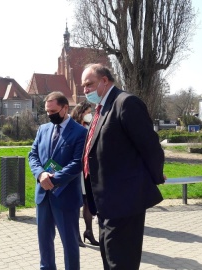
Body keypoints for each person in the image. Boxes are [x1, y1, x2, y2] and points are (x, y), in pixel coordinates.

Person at [81, 63, 166, 269]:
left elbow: (150, 146)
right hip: (105, 203)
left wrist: (155, 177)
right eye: (83, 86)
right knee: (110, 260)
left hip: (125, 201)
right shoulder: (101, 109)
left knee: (121, 263)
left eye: (89, 84)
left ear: (104, 80)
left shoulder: (126, 103)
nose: (85, 90)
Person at [28, 91, 87, 270]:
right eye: (47, 112)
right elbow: (33, 155)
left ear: (65, 108)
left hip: (66, 196)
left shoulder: (80, 132)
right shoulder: (43, 129)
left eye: (53, 111)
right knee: (44, 242)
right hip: (43, 196)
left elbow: (78, 163)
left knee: (69, 243)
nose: (50, 115)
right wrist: (40, 175)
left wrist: (53, 179)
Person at [70, 100, 99, 248]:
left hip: (87, 171)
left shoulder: (89, 127)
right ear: (81, 113)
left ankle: (89, 231)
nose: (90, 115)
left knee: (88, 202)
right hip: (76, 171)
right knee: (76, 203)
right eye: (88, 113)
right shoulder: (72, 127)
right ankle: (75, 235)